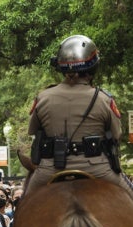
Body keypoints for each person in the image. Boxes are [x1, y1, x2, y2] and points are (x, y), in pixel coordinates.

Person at [26, 34, 133, 199]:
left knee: (23, 205)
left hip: (51, 168)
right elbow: (117, 135)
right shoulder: (103, 99)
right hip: (97, 168)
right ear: (92, 67)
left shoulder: (43, 97)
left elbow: (32, 130)